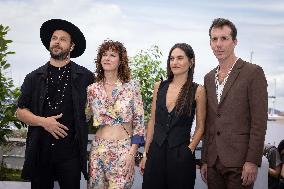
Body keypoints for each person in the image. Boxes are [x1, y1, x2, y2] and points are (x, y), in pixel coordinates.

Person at [16, 19, 94, 189]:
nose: (57, 42)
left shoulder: (86, 78)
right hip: (40, 153)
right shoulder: (33, 77)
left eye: (63, 39)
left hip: (70, 155)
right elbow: (20, 112)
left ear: (72, 46)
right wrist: (44, 122)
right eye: (54, 38)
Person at [200, 18, 268, 189]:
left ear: (235, 42)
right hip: (213, 162)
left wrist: (252, 161)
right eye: (214, 39)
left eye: (224, 38)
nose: (218, 44)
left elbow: (259, 122)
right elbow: (209, 122)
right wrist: (205, 160)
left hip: (240, 163)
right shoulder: (208, 78)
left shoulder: (253, 73)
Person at [141, 43, 206, 189]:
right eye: (172, 58)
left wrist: (189, 150)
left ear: (191, 62)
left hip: (181, 156)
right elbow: (152, 121)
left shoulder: (198, 90)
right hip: (155, 154)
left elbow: (201, 126)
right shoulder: (159, 86)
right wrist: (146, 153)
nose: (175, 62)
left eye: (180, 58)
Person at [86, 40, 145, 189]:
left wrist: (132, 153)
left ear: (121, 61)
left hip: (123, 150)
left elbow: (139, 122)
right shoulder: (92, 89)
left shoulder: (132, 86)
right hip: (98, 150)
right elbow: (84, 117)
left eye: (112, 55)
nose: (107, 58)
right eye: (104, 55)